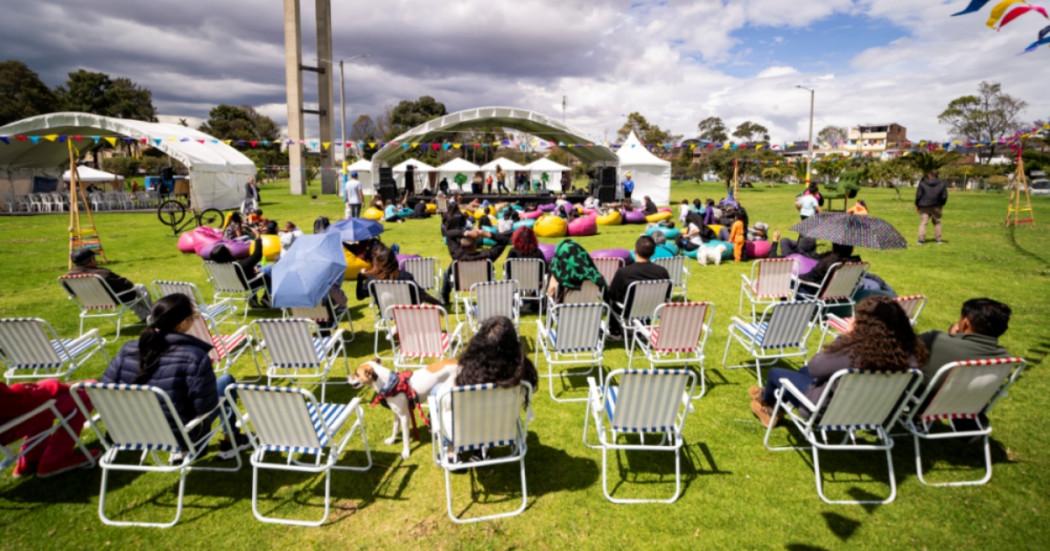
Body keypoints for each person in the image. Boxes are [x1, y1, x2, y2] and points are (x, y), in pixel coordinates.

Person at [102, 294, 248, 456]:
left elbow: (105, 391)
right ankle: (231, 440)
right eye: (193, 316)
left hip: (131, 430)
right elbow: (205, 407)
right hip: (181, 436)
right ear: (183, 323)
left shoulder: (127, 349)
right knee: (226, 381)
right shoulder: (194, 356)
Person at [750, 296, 928, 427]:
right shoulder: (910, 355)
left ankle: (767, 405)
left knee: (776, 373)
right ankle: (765, 395)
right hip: (873, 412)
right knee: (802, 372)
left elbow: (815, 367)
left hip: (825, 411)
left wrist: (846, 338)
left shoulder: (853, 352)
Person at [1, 379, 96, 477]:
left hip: (9, 422)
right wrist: (55, 385)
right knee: (83, 393)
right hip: (12, 424)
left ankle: (31, 459)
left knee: (40, 404)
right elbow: (19, 403)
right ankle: (55, 459)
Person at [919, 298, 1012, 388]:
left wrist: (952, 337)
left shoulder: (934, 340)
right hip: (966, 399)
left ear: (965, 323)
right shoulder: (1004, 360)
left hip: (919, 396)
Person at [605, 236, 670, 339]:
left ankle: (615, 332)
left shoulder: (624, 272)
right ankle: (643, 326)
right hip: (653, 309)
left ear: (635, 251)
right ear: (653, 252)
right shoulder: (662, 272)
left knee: (609, 298)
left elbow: (613, 294)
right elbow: (667, 294)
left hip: (629, 310)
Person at [65, 247, 151, 322]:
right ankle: (152, 314)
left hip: (91, 303)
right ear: (91, 260)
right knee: (138, 288)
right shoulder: (102, 274)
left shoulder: (68, 278)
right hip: (112, 300)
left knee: (125, 294)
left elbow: (72, 294)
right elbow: (128, 285)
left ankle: (145, 315)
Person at [439, 228, 509, 305]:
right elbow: (505, 240)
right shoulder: (487, 256)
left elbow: (449, 234)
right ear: (476, 245)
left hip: (460, 285)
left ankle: (444, 297)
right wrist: (487, 234)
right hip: (483, 285)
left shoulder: (458, 255)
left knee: (447, 272)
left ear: (460, 244)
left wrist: (465, 233)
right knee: (449, 270)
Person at [355, 244, 440, 306]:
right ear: (395, 260)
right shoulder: (406, 277)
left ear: (375, 262)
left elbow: (360, 296)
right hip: (409, 314)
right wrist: (439, 304)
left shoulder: (372, 280)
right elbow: (422, 295)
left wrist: (360, 278)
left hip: (387, 315)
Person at [210, 229, 269, 307]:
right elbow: (257, 255)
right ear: (227, 253)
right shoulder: (239, 265)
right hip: (244, 285)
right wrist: (258, 238)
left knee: (251, 275)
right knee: (267, 277)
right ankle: (266, 299)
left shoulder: (215, 266)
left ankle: (253, 299)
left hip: (228, 285)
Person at [546, 239, 605, 304]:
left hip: (563, 309)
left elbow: (550, 294)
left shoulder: (558, 275)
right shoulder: (595, 278)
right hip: (591, 309)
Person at [916, 171, 947, 245]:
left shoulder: (922, 183)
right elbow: (944, 196)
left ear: (929, 175)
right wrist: (941, 204)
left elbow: (918, 195)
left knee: (923, 222)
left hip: (924, 206)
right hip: (936, 205)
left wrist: (917, 204)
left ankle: (921, 240)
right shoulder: (942, 183)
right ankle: (938, 240)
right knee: (937, 222)